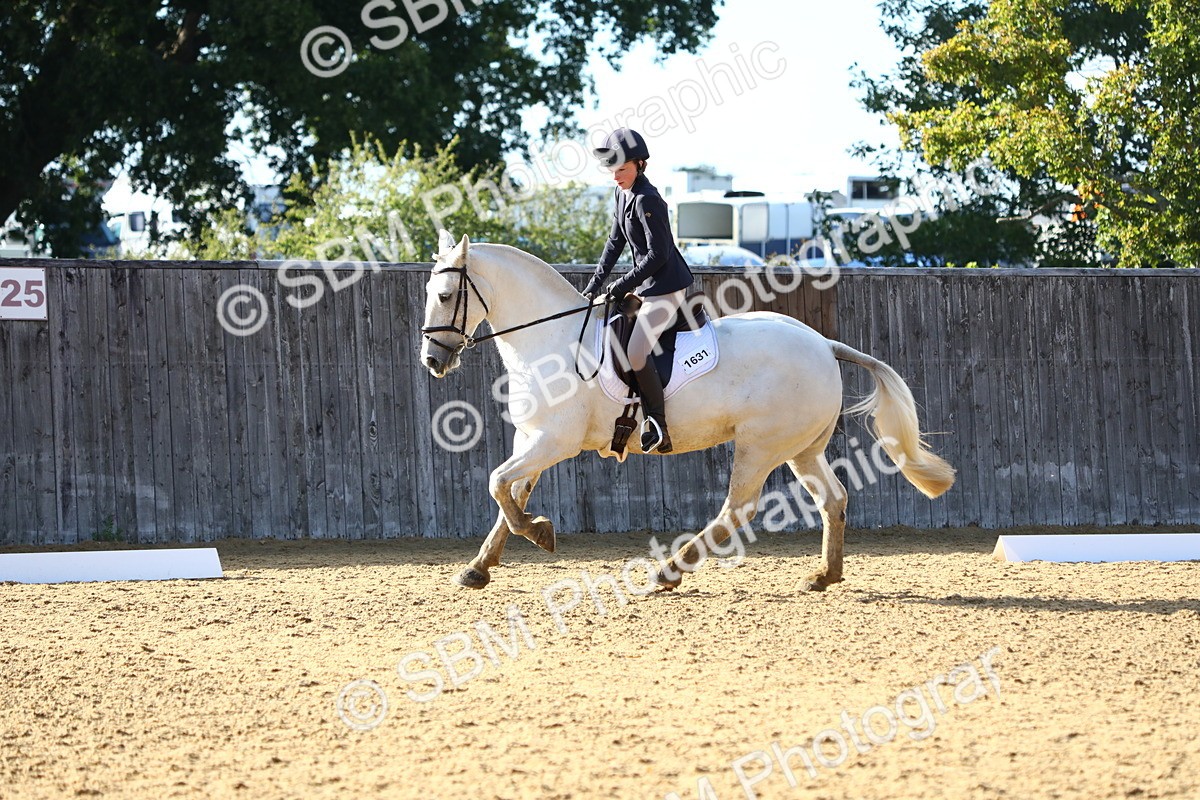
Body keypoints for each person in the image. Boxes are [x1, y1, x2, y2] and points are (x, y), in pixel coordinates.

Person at [582, 128, 694, 454]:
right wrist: (592, 287)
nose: (616, 176)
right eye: (612, 170)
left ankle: (658, 425)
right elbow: (614, 243)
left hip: (667, 289)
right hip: (645, 287)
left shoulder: (648, 200)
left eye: (623, 169)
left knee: (634, 351)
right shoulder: (622, 194)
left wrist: (620, 285)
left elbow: (659, 255)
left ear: (640, 164)